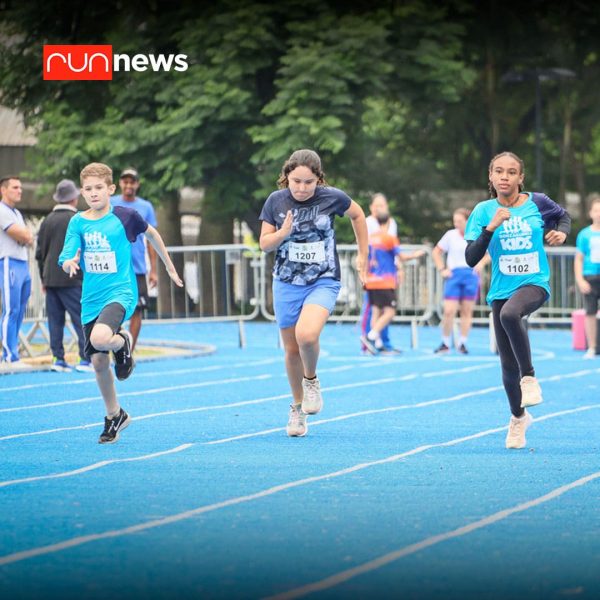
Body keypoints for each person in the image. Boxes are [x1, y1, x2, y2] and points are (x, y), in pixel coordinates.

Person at [59, 163, 183, 444]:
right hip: (91, 298)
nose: (93, 193)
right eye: (88, 189)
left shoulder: (125, 216)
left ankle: (122, 342)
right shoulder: (77, 221)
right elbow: (68, 250)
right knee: (98, 361)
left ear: (110, 190)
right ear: (81, 192)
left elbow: (153, 235)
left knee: (101, 337)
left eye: (98, 188)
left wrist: (169, 267)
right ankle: (115, 414)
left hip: (120, 292)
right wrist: (68, 261)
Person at [259, 149, 368, 437]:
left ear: (319, 180)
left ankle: (311, 381)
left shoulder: (332, 197)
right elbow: (264, 244)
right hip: (285, 282)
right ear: (287, 178)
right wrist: (282, 233)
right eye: (296, 181)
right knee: (291, 349)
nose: (302, 188)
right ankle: (297, 409)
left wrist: (362, 255)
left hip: (323, 279)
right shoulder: (275, 201)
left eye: (309, 182)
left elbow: (358, 215)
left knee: (306, 335)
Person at [465, 151, 570, 449]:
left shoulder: (537, 202)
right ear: (491, 176)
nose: (504, 177)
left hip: (534, 283)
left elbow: (563, 216)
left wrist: (561, 233)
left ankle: (530, 377)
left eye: (511, 172)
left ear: (520, 178)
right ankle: (517, 417)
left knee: (510, 315)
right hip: (501, 288)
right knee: (506, 366)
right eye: (499, 171)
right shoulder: (484, 211)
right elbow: (471, 258)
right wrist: (490, 228)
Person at [35, 179, 92, 372]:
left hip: (50, 278)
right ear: (74, 198)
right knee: (81, 318)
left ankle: (57, 358)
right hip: (72, 277)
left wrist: (43, 279)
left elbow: (39, 253)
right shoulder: (77, 219)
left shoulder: (47, 220)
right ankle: (86, 358)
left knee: (55, 320)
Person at [360, 213, 425, 355]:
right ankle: (371, 337)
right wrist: (416, 254)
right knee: (390, 312)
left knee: (376, 311)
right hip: (385, 281)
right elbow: (401, 257)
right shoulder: (389, 239)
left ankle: (376, 344)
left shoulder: (370, 239)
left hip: (372, 281)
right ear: (389, 223)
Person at [110, 167, 158, 351]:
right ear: (120, 183)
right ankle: (117, 345)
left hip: (137, 267)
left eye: (132, 182)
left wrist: (153, 270)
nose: (129, 185)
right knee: (114, 308)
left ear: (137, 184)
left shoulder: (146, 207)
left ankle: (130, 350)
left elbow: (151, 240)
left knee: (137, 310)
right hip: (114, 266)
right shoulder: (111, 203)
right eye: (125, 181)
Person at [432, 208, 489, 354]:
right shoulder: (450, 235)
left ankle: (462, 342)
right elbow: (436, 252)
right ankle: (445, 342)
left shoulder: (476, 234)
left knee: (466, 311)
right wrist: (442, 269)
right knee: (449, 311)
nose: (456, 224)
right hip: (454, 274)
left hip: (470, 274)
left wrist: (481, 264)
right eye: (454, 221)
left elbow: (490, 253)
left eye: (459, 221)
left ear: (467, 221)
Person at [360, 193, 399, 353]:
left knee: (383, 310)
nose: (379, 208)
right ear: (371, 207)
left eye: (382, 205)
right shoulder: (367, 223)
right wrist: (363, 270)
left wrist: (399, 268)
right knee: (372, 309)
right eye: (376, 205)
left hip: (388, 274)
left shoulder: (392, 223)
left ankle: (381, 343)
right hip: (373, 275)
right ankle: (367, 342)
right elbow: (364, 246)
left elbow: (393, 248)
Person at [0, 175, 32, 363]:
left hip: (23, 263)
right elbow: (22, 235)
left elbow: (27, 237)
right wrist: (26, 236)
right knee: (11, 309)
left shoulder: (17, 213)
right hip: (9, 261)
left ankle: (13, 349)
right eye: (15, 187)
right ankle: (9, 354)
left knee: (20, 309)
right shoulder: (1, 210)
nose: (19, 190)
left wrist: (26, 236)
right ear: (3, 190)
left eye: (20, 187)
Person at [574, 196, 600, 358]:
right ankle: (591, 346)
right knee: (590, 312)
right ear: (591, 213)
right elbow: (579, 259)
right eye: (596, 211)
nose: (599, 214)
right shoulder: (584, 234)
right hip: (590, 276)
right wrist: (580, 279)